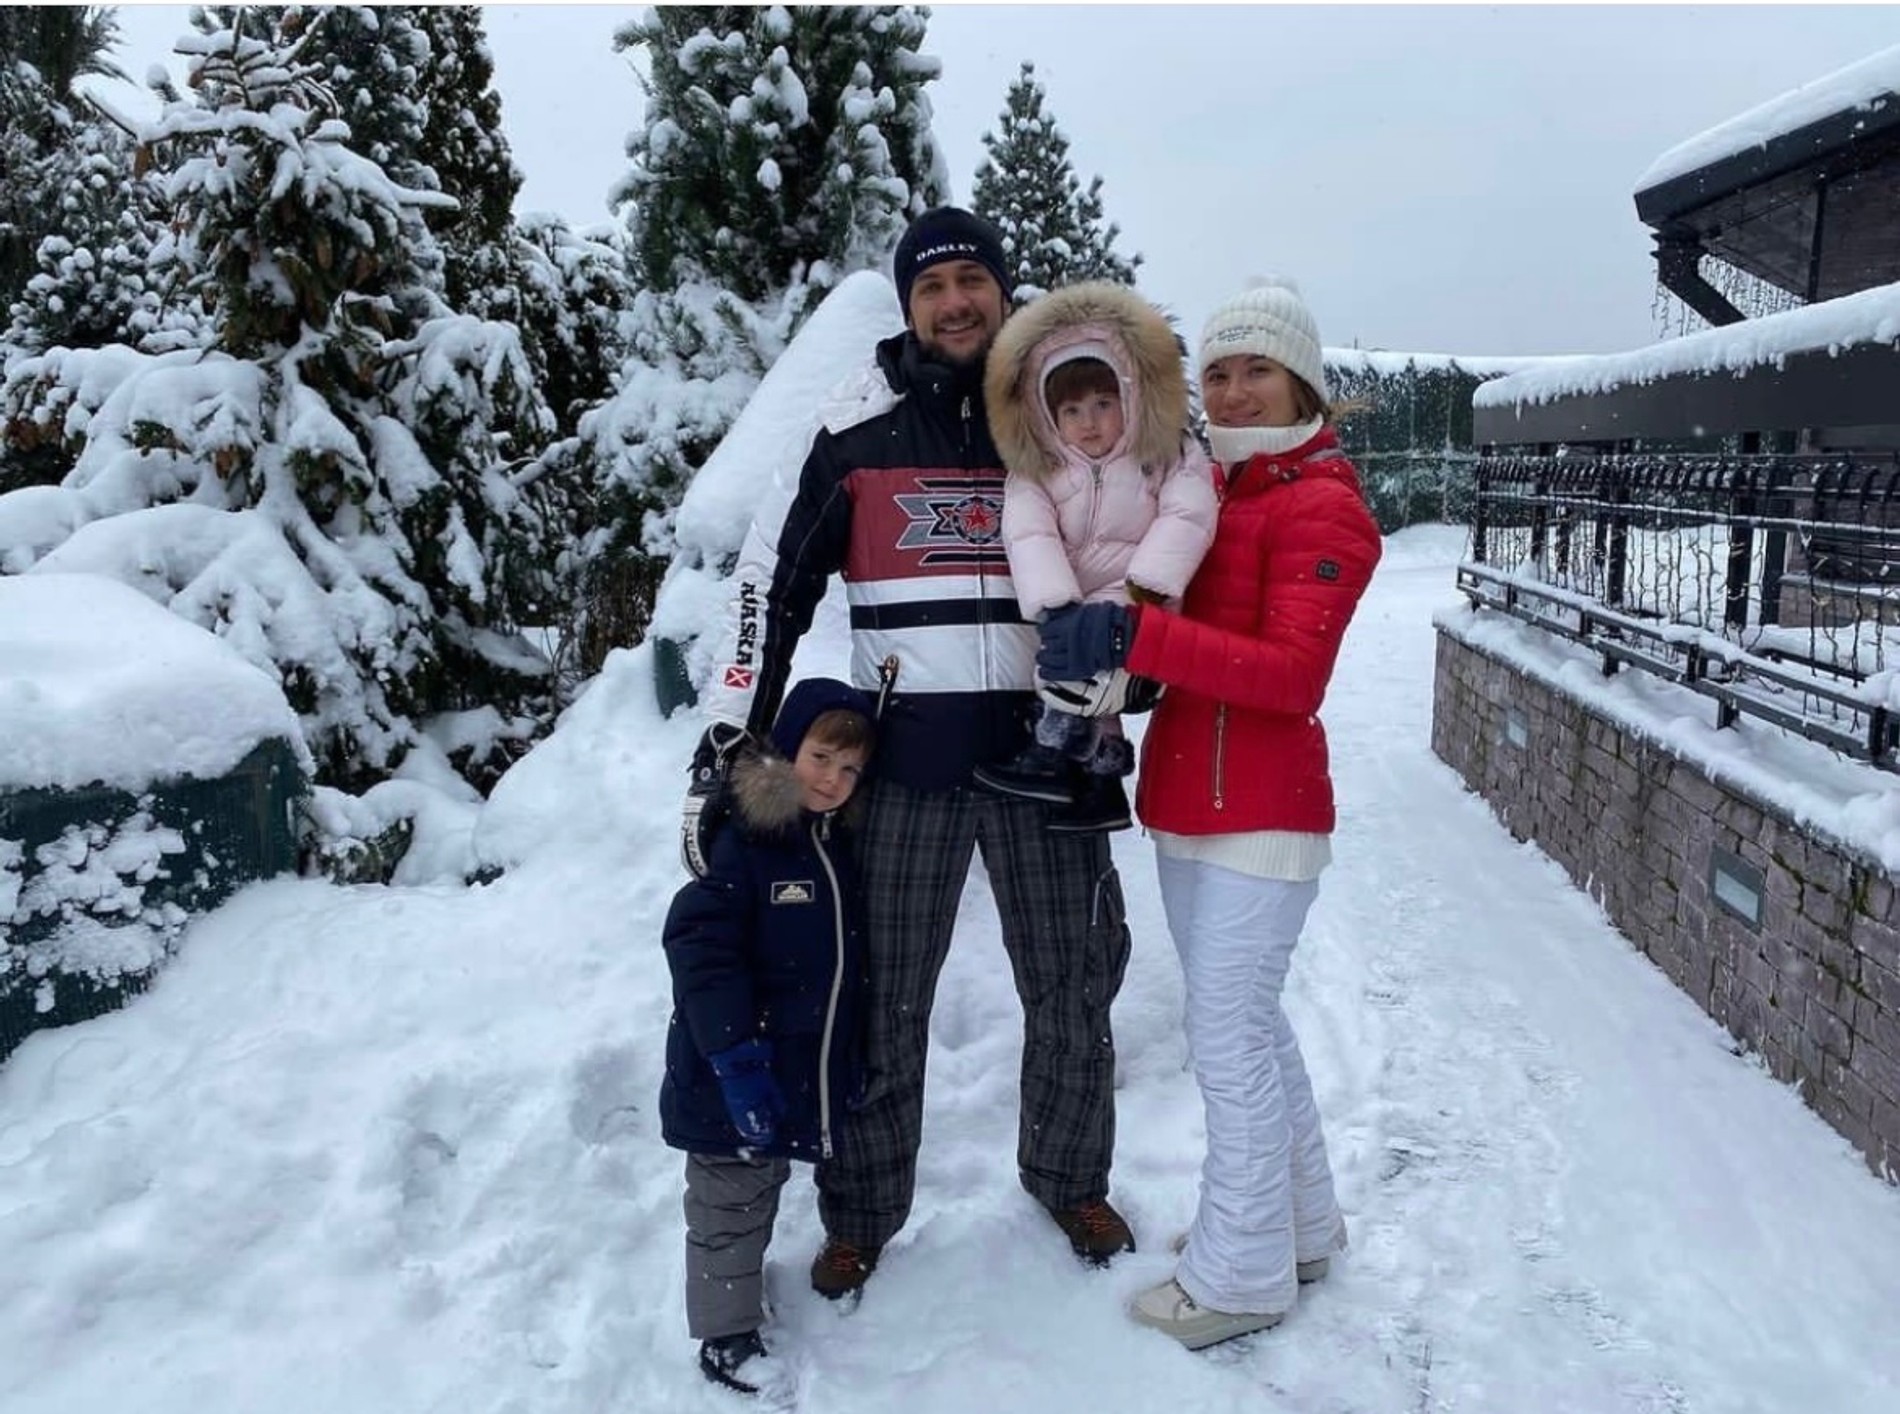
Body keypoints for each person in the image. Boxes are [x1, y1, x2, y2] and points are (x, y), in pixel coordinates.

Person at [682, 206, 1139, 1304]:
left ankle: (1070, 1179)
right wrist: (730, 732)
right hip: (905, 774)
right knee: (880, 1003)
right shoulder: (856, 428)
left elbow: (1143, 530)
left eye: (971, 279)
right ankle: (861, 1214)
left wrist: (1143, 664)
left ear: (1002, 289)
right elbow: (771, 585)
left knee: (1073, 989)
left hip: (1048, 763)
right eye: (931, 287)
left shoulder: (1061, 415)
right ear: (907, 305)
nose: (954, 302)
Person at [1036, 278, 1382, 1351]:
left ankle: (1240, 1276)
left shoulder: (1323, 505)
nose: (1232, 391)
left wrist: (1133, 638)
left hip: (1263, 814)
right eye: (1218, 372)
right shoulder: (1218, 489)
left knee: (1226, 1042)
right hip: (1192, 800)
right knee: (1255, 1030)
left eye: (1256, 370)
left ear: (1301, 382)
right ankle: (1300, 1229)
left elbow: (1288, 676)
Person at [661, 676, 877, 1395]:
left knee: (756, 1186)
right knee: (728, 1200)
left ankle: (740, 1296)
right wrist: (734, 1059)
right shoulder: (747, 842)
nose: (833, 779)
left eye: (850, 769)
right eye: (821, 758)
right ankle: (724, 1338)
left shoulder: (829, 846)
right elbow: (699, 949)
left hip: (780, 1066)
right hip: (730, 1069)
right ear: (786, 750)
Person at [971, 281, 1218, 833]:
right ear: (1047, 415)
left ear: (1130, 398)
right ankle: (1100, 779)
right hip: (1073, 603)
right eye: (1073, 410)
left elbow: (1190, 514)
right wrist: (1054, 603)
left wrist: (1147, 588)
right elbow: (1028, 533)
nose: (1090, 422)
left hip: (1137, 603)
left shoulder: (1164, 454)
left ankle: (1051, 753)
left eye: (1104, 405)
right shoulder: (1040, 470)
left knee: (1075, 678)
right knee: (1067, 662)